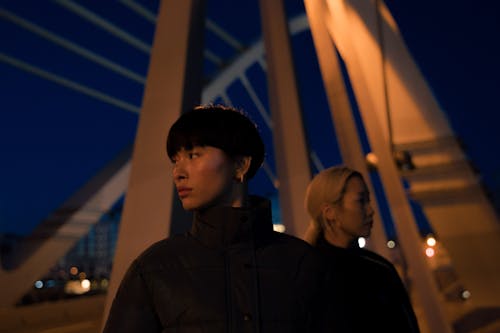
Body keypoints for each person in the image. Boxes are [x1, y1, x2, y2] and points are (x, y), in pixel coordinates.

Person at [104, 104, 325, 332]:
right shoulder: (152, 269)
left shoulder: (302, 264)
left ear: (240, 165)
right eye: (175, 160)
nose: (177, 173)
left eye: (192, 155)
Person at [304, 165, 421, 333]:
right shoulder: (307, 275)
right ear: (330, 212)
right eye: (361, 200)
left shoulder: (380, 269)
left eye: (369, 200)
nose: (371, 210)